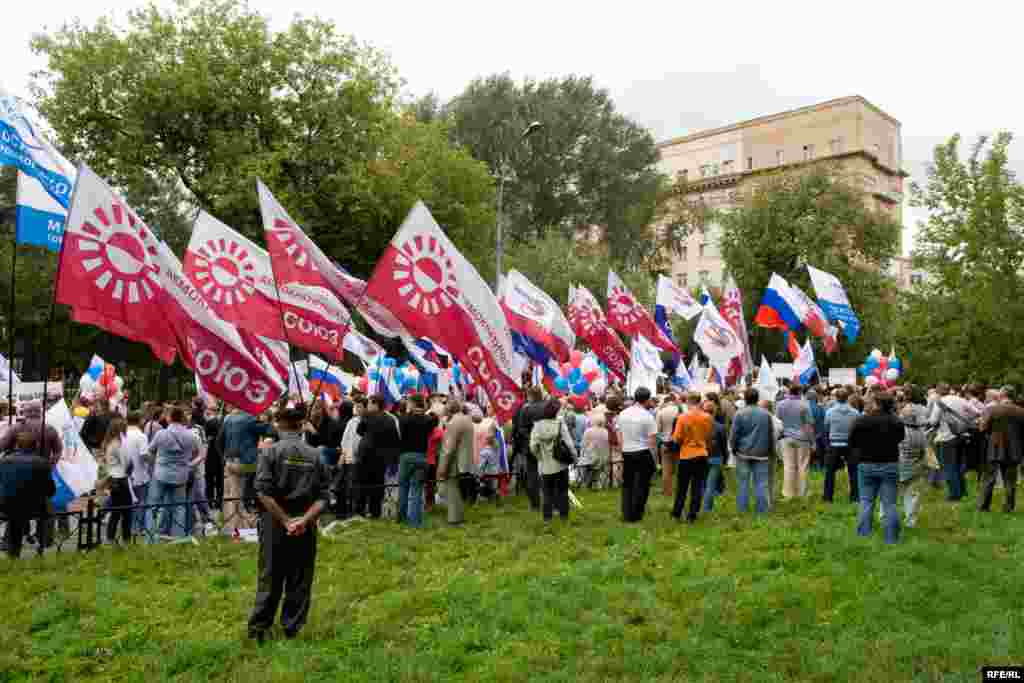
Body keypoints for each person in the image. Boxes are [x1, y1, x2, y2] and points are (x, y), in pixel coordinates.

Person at [248, 407, 329, 644]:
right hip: (305, 524)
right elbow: (325, 496)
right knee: (300, 576)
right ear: (301, 425)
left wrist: (285, 521)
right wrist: (303, 521)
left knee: (270, 575)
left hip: (275, 523)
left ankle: (259, 628)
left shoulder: (269, 453)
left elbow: (262, 491)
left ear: (278, 425)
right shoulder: (315, 455)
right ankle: (292, 627)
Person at [849, 392, 906, 544]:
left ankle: (863, 535)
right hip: (890, 464)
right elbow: (901, 438)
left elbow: (852, 441)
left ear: (877, 404)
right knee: (890, 503)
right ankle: (891, 538)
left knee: (866, 501)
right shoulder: (897, 421)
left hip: (866, 464)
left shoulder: (861, 420)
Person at [146, 406, 201, 539]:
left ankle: (150, 536)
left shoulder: (161, 434)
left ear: (169, 418)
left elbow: (149, 451)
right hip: (181, 475)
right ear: (182, 417)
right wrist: (189, 465)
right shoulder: (192, 436)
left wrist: (155, 464)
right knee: (179, 507)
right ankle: (178, 536)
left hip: (161, 474)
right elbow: (199, 454)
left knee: (153, 506)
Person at [0, 431, 56, 558]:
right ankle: (43, 545)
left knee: (15, 518)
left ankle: (13, 551)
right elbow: (50, 490)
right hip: (34, 506)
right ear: (35, 446)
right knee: (49, 513)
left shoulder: (4, 461)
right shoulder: (42, 462)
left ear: (17, 446)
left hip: (6, 505)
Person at [220, 405, 275, 533]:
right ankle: (251, 523)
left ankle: (234, 525)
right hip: (247, 463)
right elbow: (271, 431)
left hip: (230, 462)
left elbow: (219, 440)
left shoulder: (227, 418)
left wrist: (225, 457)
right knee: (256, 490)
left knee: (234, 495)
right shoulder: (250, 419)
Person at [928, 383, 980, 502]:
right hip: (961, 436)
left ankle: (954, 494)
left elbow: (933, 421)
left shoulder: (940, 402)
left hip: (946, 437)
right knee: (958, 465)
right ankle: (962, 490)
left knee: (949, 467)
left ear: (938, 392)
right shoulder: (961, 400)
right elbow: (977, 413)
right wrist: (965, 422)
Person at [977, 387, 1024, 513]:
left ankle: (983, 506)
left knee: (989, 478)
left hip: (995, 446)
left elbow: (982, 428)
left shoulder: (992, 409)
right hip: (1014, 448)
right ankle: (1009, 507)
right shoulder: (1020, 411)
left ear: (1001, 395)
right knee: (1010, 480)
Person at [529, 400, 578, 522]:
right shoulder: (559, 423)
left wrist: (539, 457)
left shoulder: (537, 425)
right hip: (560, 463)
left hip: (545, 464)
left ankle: (547, 518)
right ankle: (564, 516)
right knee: (562, 491)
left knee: (547, 493)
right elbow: (569, 443)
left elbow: (533, 446)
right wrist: (575, 457)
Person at [730, 389, 775, 515]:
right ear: (757, 398)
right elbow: (770, 434)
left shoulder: (739, 414)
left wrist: (733, 448)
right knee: (761, 483)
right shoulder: (766, 414)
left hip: (743, 453)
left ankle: (742, 509)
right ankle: (762, 510)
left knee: (743, 483)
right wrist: (771, 451)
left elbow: (734, 434)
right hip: (762, 453)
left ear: (745, 398)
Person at [355, 395, 401, 519]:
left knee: (362, 484)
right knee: (378, 486)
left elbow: (359, 431)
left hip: (365, 455)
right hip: (381, 458)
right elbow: (395, 440)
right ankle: (375, 512)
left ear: (375, 404)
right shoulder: (390, 419)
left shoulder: (367, 416)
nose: (368, 406)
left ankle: (360, 511)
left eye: (369, 403)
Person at [397, 395, 438, 528]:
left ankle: (401, 518)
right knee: (417, 489)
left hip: (406, 455)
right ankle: (415, 521)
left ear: (413, 404)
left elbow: (400, 434)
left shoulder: (403, 419)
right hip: (421, 456)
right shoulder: (428, 420)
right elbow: (434, 420)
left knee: (403, 487)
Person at [617, 388, 658, 523]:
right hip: (642, 451)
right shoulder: (647, 416)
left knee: (628, 484)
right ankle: (636, 513)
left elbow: (619, 435)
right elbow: (652, 440)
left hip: (627, 451)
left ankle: (626, 512)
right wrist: (654, 459)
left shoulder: (623, 414)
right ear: (646, 400)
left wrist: (622, 450)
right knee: (642, 485)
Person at [671, 393, 712, 523]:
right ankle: (692, 514)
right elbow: (709, 435)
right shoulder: (707, 417)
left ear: (688, 401)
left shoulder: (682, 417)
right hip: (701, 453)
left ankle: (677, 512)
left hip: (686, 454)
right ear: (699, 402)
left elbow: (677, 438)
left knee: (682, 486)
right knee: (697, 486)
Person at [438, 400, 474, 526]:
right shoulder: (467, 419)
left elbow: (449, 447)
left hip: (455, 460)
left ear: (449, 409)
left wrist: (442, 467)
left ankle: (454, 518)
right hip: (466, 459)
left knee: (452, 488)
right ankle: (459, 516)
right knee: (458, 489)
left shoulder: (453, 422)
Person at [824, 388, 862, 503]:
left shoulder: (829, 412)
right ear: (847, 398)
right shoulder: (855, 413)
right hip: (850, 445)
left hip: (834, 443)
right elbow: (858, 429)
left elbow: (826, 428)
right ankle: (855, 497)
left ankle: (828, 497)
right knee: (853, 472)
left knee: (830, 472)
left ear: (836, 397)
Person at [776, 385, 814, 499]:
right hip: (802, 438)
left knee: (788, 466)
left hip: (786, 437)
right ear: (799, 392)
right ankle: (803, 493)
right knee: (803, 465)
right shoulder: (804, 405)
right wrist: (813, 441)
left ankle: (788, 493)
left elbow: (778, 421)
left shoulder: (780, 404)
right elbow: (808, 425)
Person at [511, 387, 546, 510]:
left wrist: (531, 438)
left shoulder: (526, 409)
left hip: (530, 446)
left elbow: (520, 429)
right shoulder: (547, 407)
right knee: (548, 473)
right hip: (545, 444)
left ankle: (535, 504)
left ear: (530, 396)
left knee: (532, 475)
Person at [101, 417, 133, 544]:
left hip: (113, 479)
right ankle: (125, 538)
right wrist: (130, 467)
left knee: (116, 510)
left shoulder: (109, 443)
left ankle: (111, 537)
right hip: (120, 479)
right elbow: (126, 463)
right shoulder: (118, 444)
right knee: (126, 511)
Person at [335, 397, 365, 518]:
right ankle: (343, 512)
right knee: (345, 485)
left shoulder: (365, 421)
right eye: (355, 406)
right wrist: (343, 454)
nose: (356, 409)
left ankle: (356, 511)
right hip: (348, 458)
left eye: (359, 406)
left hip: (358, 458)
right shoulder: (352, 421)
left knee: (355, 487)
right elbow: (345, 440)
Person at [124, 411, 151, 534]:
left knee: (127, 503)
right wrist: (154, 461)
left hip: (124, 475)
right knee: (141, 502)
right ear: (140, 420)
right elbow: (144, 454)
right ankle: (137, 528)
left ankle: (127, 527)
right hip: (140, 474)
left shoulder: (122, 434)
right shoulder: (141, 436)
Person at [701, 401, 729, 513]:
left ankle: (702, 506)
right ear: (715, 412)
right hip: (716, 457)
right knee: (711, 484)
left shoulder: (699, 425)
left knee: (702, 483)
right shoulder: (720, 427)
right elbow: (724, 446)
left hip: (701, 456)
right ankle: (707, 508)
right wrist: (725, 459)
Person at [656, 394, 681, 496]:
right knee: (679, 467)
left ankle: (667, 491)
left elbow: (658, 429)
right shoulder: (680, 410)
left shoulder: (661, 412)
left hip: (665, 442)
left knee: (666, 469)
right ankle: (679, 489)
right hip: (678, 442)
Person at [579, 415, 610, 489]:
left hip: (590, 458)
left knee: (584, 463)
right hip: (602, 458)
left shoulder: (588, 431)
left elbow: (583, 445)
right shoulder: (605, 431)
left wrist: (581, 455)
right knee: (594, 467)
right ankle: (595, 482)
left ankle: (585, 483)